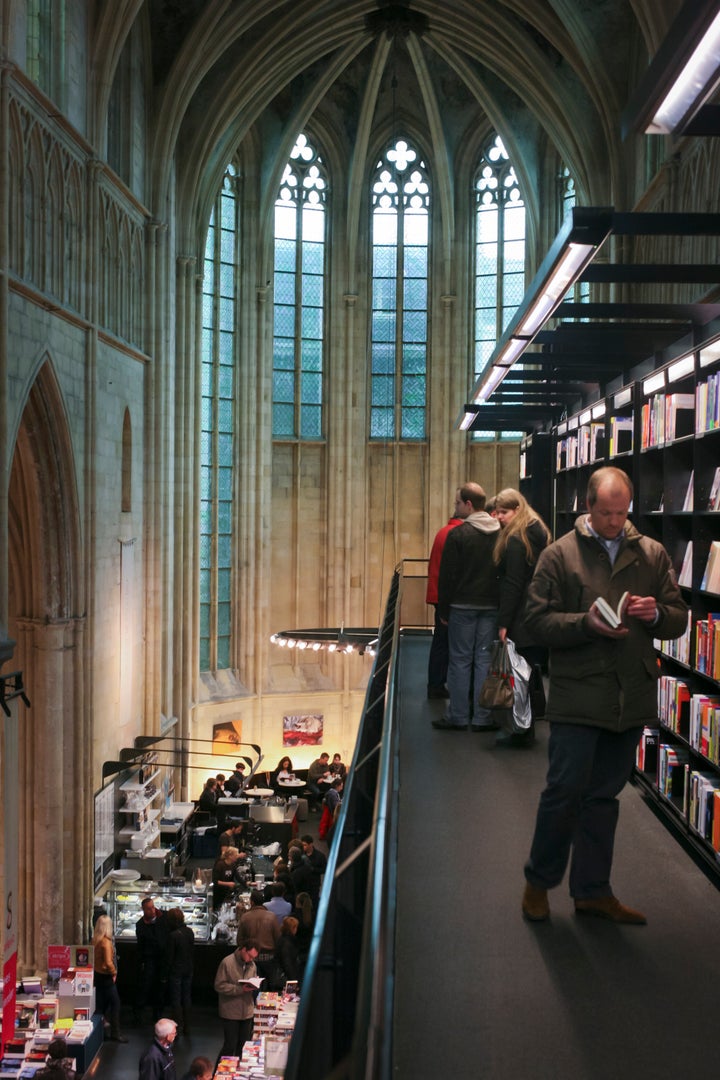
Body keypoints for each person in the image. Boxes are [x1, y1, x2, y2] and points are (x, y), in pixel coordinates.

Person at [521, 467, 689, 925]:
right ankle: (538, 882)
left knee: (604, 796)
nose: (616, 522)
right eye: (607, 512)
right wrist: (584, 624)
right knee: (563, 792)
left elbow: (678, 619)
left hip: (628, 694)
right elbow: (533, 622)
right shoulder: (559, 555)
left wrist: (657, 615)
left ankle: (593, 890)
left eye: (623, 512)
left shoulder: (651, 553)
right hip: (579, 692)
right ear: (588, 506)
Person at [435, 482, 501, 731]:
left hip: (462, 606)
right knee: (484, 660)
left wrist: (443, 610)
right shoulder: (500, 533)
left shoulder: (459, 534)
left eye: (457, 503)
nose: (455, 507)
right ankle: (482, 718)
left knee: (460, 661)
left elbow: (447, 575)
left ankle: (458, 716)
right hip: (491, 607)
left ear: (469, 504)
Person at [492, 487, 552, 747]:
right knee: (529, 673)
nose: (499, 517)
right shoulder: (538, 532)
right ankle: (527, 726)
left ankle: (521, 730)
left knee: (519, 677)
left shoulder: (517, 540)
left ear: (516, 510)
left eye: (503, 512)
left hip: (521, 616)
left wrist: (503, 622)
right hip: (538, 610)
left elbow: (513, 584)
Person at [425, 489, 467, 698]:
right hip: (446, 598)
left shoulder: (446, 531)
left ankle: (436, 684)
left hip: (439, 595)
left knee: (441, 643)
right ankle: (437, 685)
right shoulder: (455, 534)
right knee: (445, 644)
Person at [214, 940, 260, 1060]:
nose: (251, 959)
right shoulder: (227, 962)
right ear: (243, 949)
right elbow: (219, 985)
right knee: (230, 1046)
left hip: (247, 1011)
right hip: (230, 1012)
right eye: (250, 956)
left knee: (244, 1046)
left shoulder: (252, 965)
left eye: (253, 957)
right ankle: (218, 1074)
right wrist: (240, 989)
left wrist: (255, 984)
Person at [92, 915, 128, 1043]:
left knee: (100, 1005)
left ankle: (101, 1033)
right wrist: (114, 972)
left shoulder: (95, 940)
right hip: (106, 977)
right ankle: (115, 1033)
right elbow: (108, 962)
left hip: (97, 975)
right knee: (115, 1003)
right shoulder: (106, 943)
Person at [135, 896, 169, 1023]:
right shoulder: (140, 925)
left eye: (153, 907)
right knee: (145, 986)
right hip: (149, 959)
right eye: (149, 909)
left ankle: (158, 1014)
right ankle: (138, 1014)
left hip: (162, 959)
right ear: (143, 910)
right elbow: (141, 945)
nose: (153, 910)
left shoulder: (164, 917)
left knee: (160, 987)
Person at [237, 890, 280, 986]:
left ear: (252, 902)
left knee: (253, 988)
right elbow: (278, 939)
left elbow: (239, 940)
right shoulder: (272, 916)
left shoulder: (245, 917)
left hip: (251, 958)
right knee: (270, 988)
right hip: (269, 957)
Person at [165, 907, 194, 1036]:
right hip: (188, 968)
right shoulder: (189, 932)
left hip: (176, 970)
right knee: (186, 997)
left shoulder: (172, 936)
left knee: (176, 999)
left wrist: (165, 973)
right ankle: (187, 1026)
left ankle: (177, 1026)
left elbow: (170, 957)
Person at [212, 845, 245, 910]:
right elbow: (215, 881)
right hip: (219, 892)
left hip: (228, 893)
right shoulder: (219, 865)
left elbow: (238, 877)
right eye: (235, 855)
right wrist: (228, 884)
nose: (237, 857)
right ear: (230, 856)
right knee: (219, 909)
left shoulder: (233, 865)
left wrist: (247, 883)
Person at [300, 835, 327, 905]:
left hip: (314, 884)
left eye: (305, 845)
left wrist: (313, 869)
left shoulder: (320, 856)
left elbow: (324, 869)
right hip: (303, 884)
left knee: (314, 903)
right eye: (302, 845)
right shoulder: (300, 855)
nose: (303, 847)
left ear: (311, 844)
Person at [275, 916, 301, 986]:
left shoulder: (282, 939)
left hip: (287, 975)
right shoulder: (287, 943)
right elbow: (287, 963)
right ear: (292, 928)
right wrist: (293, 981)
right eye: (295, 927)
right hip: (288, 978)